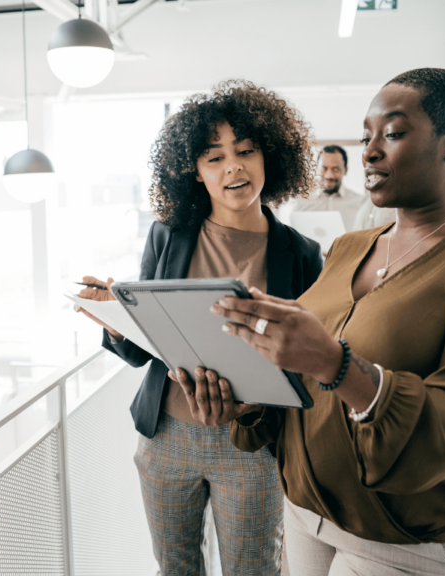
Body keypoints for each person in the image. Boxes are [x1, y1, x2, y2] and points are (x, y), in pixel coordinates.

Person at [176, 68, 445, 576]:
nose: (369, 151)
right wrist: (248, 403)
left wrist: (333, 361)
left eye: (392, 134)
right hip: (307, 515)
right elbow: (305, 387)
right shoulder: (348, 249)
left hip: (404, 538)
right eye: (366, 135)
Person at [75, 79, 324, 576]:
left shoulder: (301, 255)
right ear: (195, 172)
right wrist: (118, 319)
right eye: (214, 157)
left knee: (253, 570)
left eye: (246, 151)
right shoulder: (167, 234)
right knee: (175, 569)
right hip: (166, 436)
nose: (232, 165)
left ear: (268, 158)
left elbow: (311, 364)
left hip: (251, 445)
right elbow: (147, 348)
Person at [289, 145, 395, 232]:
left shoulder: (360, 203)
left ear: (345, 170)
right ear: (316, 169)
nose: (329, 175)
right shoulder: (302, 202)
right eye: (324, 168)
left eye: (336, 169)